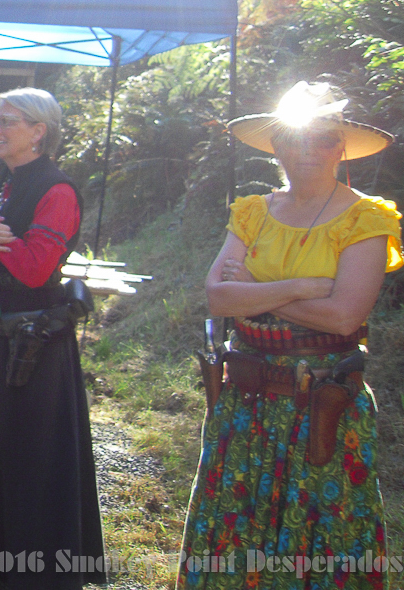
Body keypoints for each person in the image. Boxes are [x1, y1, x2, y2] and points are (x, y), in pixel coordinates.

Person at [178, 81, 401, 590]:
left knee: (321, 540)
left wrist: (256, 290)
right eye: (296, 138)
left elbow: (344, 316)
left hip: (322, 404)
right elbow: (218, 297)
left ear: (341, 148)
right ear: (276, 146)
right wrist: (300, 287)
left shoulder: (367, 217)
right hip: (245, 402)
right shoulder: (253, 211)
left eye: (324, 139)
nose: (309, 150)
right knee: (235, 531)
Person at [0, 88, 104, 587]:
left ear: (38, 131)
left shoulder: (58, 191)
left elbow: (35, 269)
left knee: (33, 456)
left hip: (33, 347)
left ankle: (38, 574)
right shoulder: (0, 184)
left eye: (6, 121)